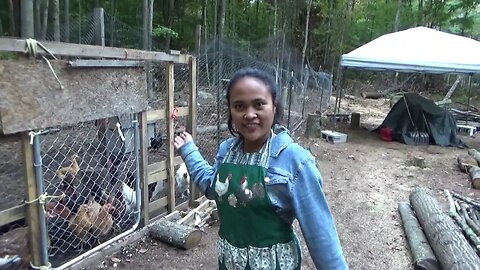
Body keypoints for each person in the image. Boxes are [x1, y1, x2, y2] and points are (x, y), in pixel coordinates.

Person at [174, 68, 348, 270]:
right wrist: (189, 150)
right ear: (230, 110)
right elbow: (212, 187)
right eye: (239, 106)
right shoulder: (226, 151)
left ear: (274, 106)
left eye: (259, 104)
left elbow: (321, 234)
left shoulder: (295, 161)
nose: (249, 114)